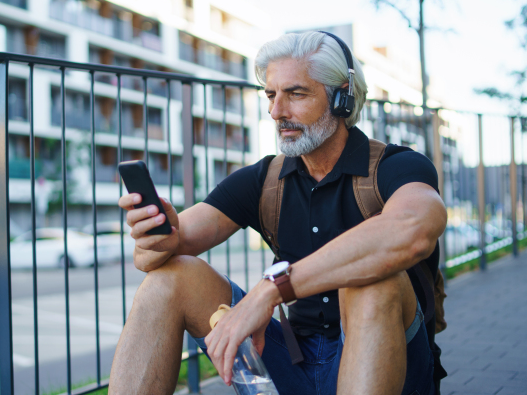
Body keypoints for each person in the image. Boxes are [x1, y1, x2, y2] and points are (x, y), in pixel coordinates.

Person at [108, 31, 447, 395]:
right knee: (169, 277)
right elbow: (158, 253)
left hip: (391, 363)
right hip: (291, 361)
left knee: (370, 282)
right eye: (271, 95)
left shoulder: (397, 166)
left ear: (342, 98)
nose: (276, 112)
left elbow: (414, 229)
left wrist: (271, 290)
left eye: (296, 93)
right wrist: (155, 235)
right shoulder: (266, 179)